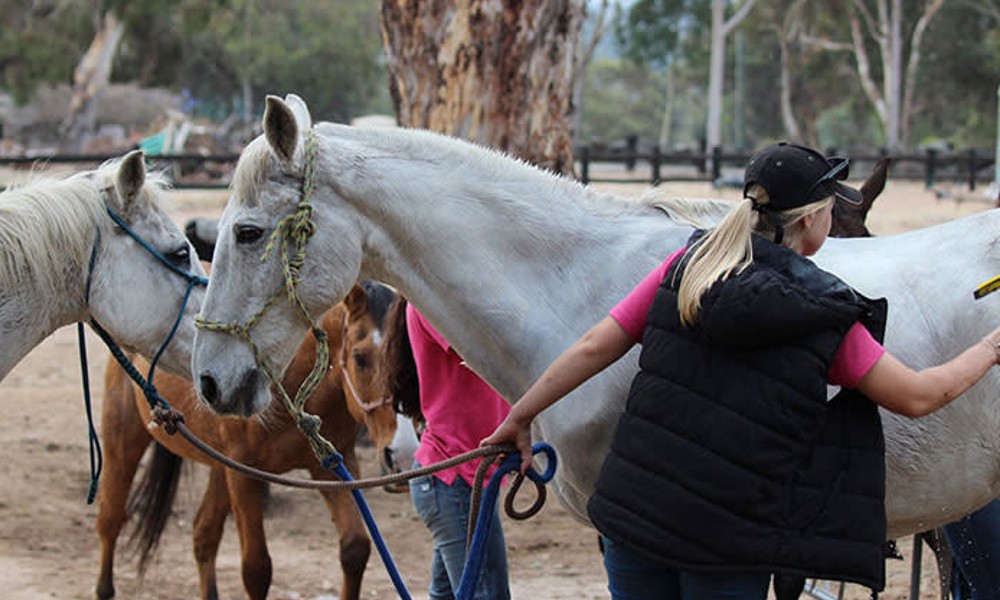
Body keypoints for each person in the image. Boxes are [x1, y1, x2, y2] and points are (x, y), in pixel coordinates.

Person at [482, 142, 1000, 600]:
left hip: (632, 517)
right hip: (727, 540)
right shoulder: (824, 315)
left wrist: (520, 416)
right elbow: (919, 396)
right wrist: (992, 346)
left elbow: (593, 346)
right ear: (811, 223)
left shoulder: (684, 269)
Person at [395, 300, 512, 600]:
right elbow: (489, 344)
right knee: (486, 595)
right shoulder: (431, 303)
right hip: (453, 478)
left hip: (462, 479)